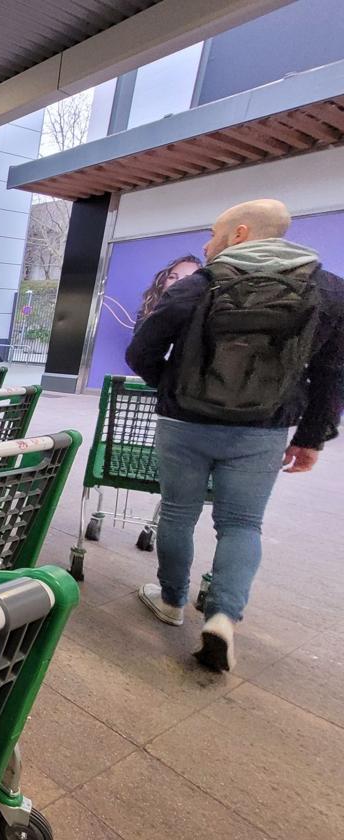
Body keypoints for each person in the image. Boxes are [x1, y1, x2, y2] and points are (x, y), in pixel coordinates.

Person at [126, 199, 344, 672]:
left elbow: (141, 350)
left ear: (240, 233)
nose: (207, 244)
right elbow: (331, 372)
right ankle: (223, 617)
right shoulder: (327, 291)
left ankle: (170, 601)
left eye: (213, 233)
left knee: (179, 514)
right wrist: (312, 437)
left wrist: (170, 389)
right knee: (243, 525)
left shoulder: (199, 286)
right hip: (262, 430)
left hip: (184, 424)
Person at [137, 254, 203, 324]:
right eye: (172, 277)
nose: (178, 282)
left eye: (188, 279)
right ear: (162, 284)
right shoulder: (145, 318)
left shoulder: (204, 321)